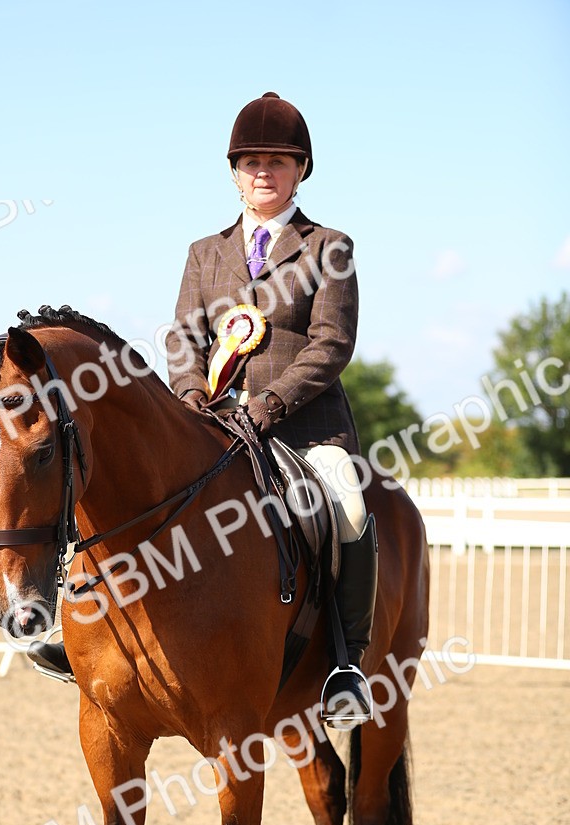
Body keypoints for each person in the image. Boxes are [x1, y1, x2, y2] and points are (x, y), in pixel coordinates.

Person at [163, 92, 376, 728]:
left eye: (278, 161)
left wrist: (271, 403)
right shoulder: (205, 252)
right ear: (234, 172)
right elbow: (183, 340)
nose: (264, 172)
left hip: (306, 429)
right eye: (251, 161)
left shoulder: (328, 246)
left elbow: (332, 343)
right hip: (217, 427)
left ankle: (347, 663)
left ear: (300, 170)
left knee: (350, 504)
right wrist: (194, 395)